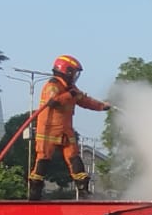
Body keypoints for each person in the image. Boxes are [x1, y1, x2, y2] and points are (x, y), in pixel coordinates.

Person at [28, 54, 108, 200]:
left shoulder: (71, 88)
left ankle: (83, 190)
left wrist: (102, 106)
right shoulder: (53, 85)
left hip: (65, 130)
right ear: (67, 71)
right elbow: (53, 102)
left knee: (74, 158)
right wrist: (69, 94)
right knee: (43, 160)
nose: (75, 76)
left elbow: (85, 101)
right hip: (48, 130)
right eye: (74, 73)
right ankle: (35, 193)